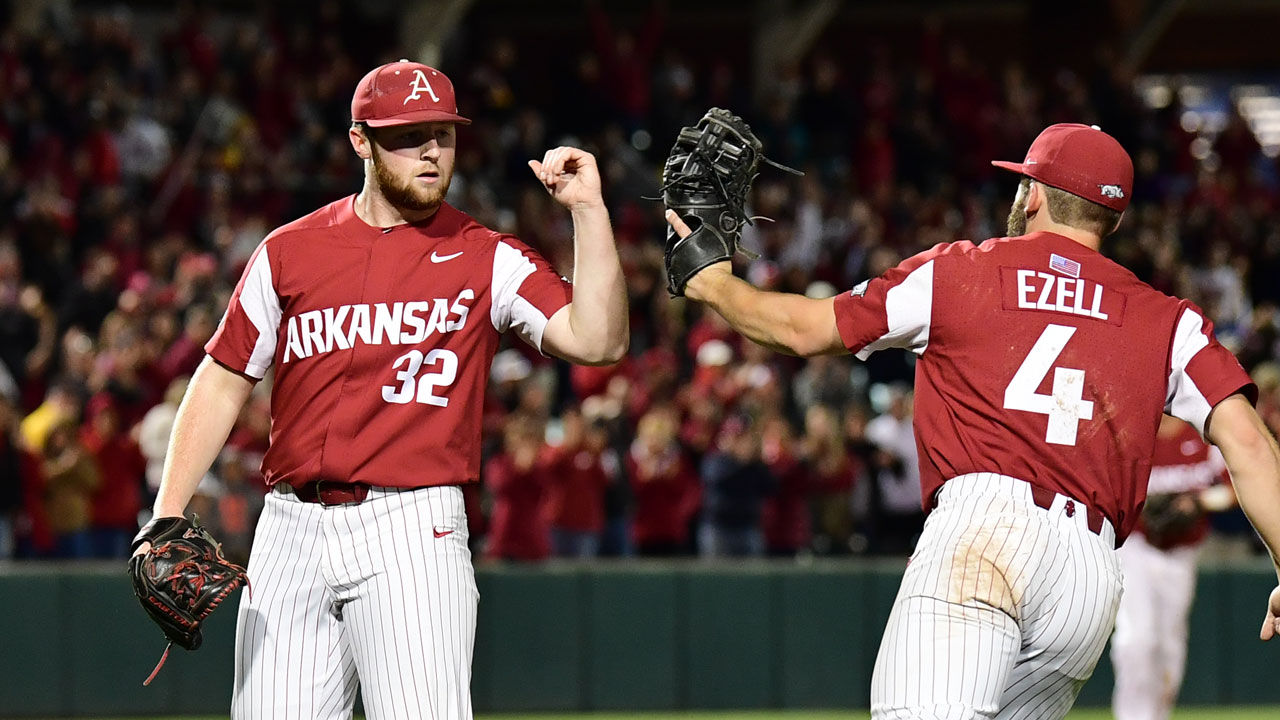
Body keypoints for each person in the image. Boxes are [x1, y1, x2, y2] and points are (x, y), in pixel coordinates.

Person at [665, 122, 1280, 719]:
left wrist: (712, 281)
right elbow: (1249, 442)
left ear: (1033, 192)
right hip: (1088, 577)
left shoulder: (957, 272)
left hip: (985, 534)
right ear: (1111, 218)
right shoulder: (1168, 320)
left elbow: (801, 330)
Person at [136, 59, 627, 719]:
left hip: (411, 527)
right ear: (359, 140)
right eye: (407, 134)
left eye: (443, 134)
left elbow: (597, 341)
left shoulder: (486, 257)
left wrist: (589, 214)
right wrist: (167, 510)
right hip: (289, 529)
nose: (430, 151)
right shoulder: (289, 250)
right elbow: (224, 377)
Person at [1111, 414, 1234, 720]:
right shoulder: (1134, 436)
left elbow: (1232, 490)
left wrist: (1197, 502)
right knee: (1137, 638)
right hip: (1136, 547)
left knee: (1168, 644)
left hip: (1182, 553)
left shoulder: (1204, 438)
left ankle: (1157, 714)